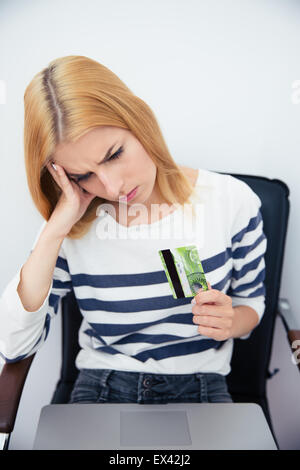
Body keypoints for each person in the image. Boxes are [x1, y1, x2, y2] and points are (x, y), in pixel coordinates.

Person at [0, 55, 267, 405]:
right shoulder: (70, 226)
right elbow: (13, 345)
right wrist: (54, 232)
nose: (112, 187)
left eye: (113, 155)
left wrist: (230, 323)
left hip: (200, 383)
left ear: (140, 122)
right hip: (103, 385)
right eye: (83, 175)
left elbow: (252, 304)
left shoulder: (231, 200)